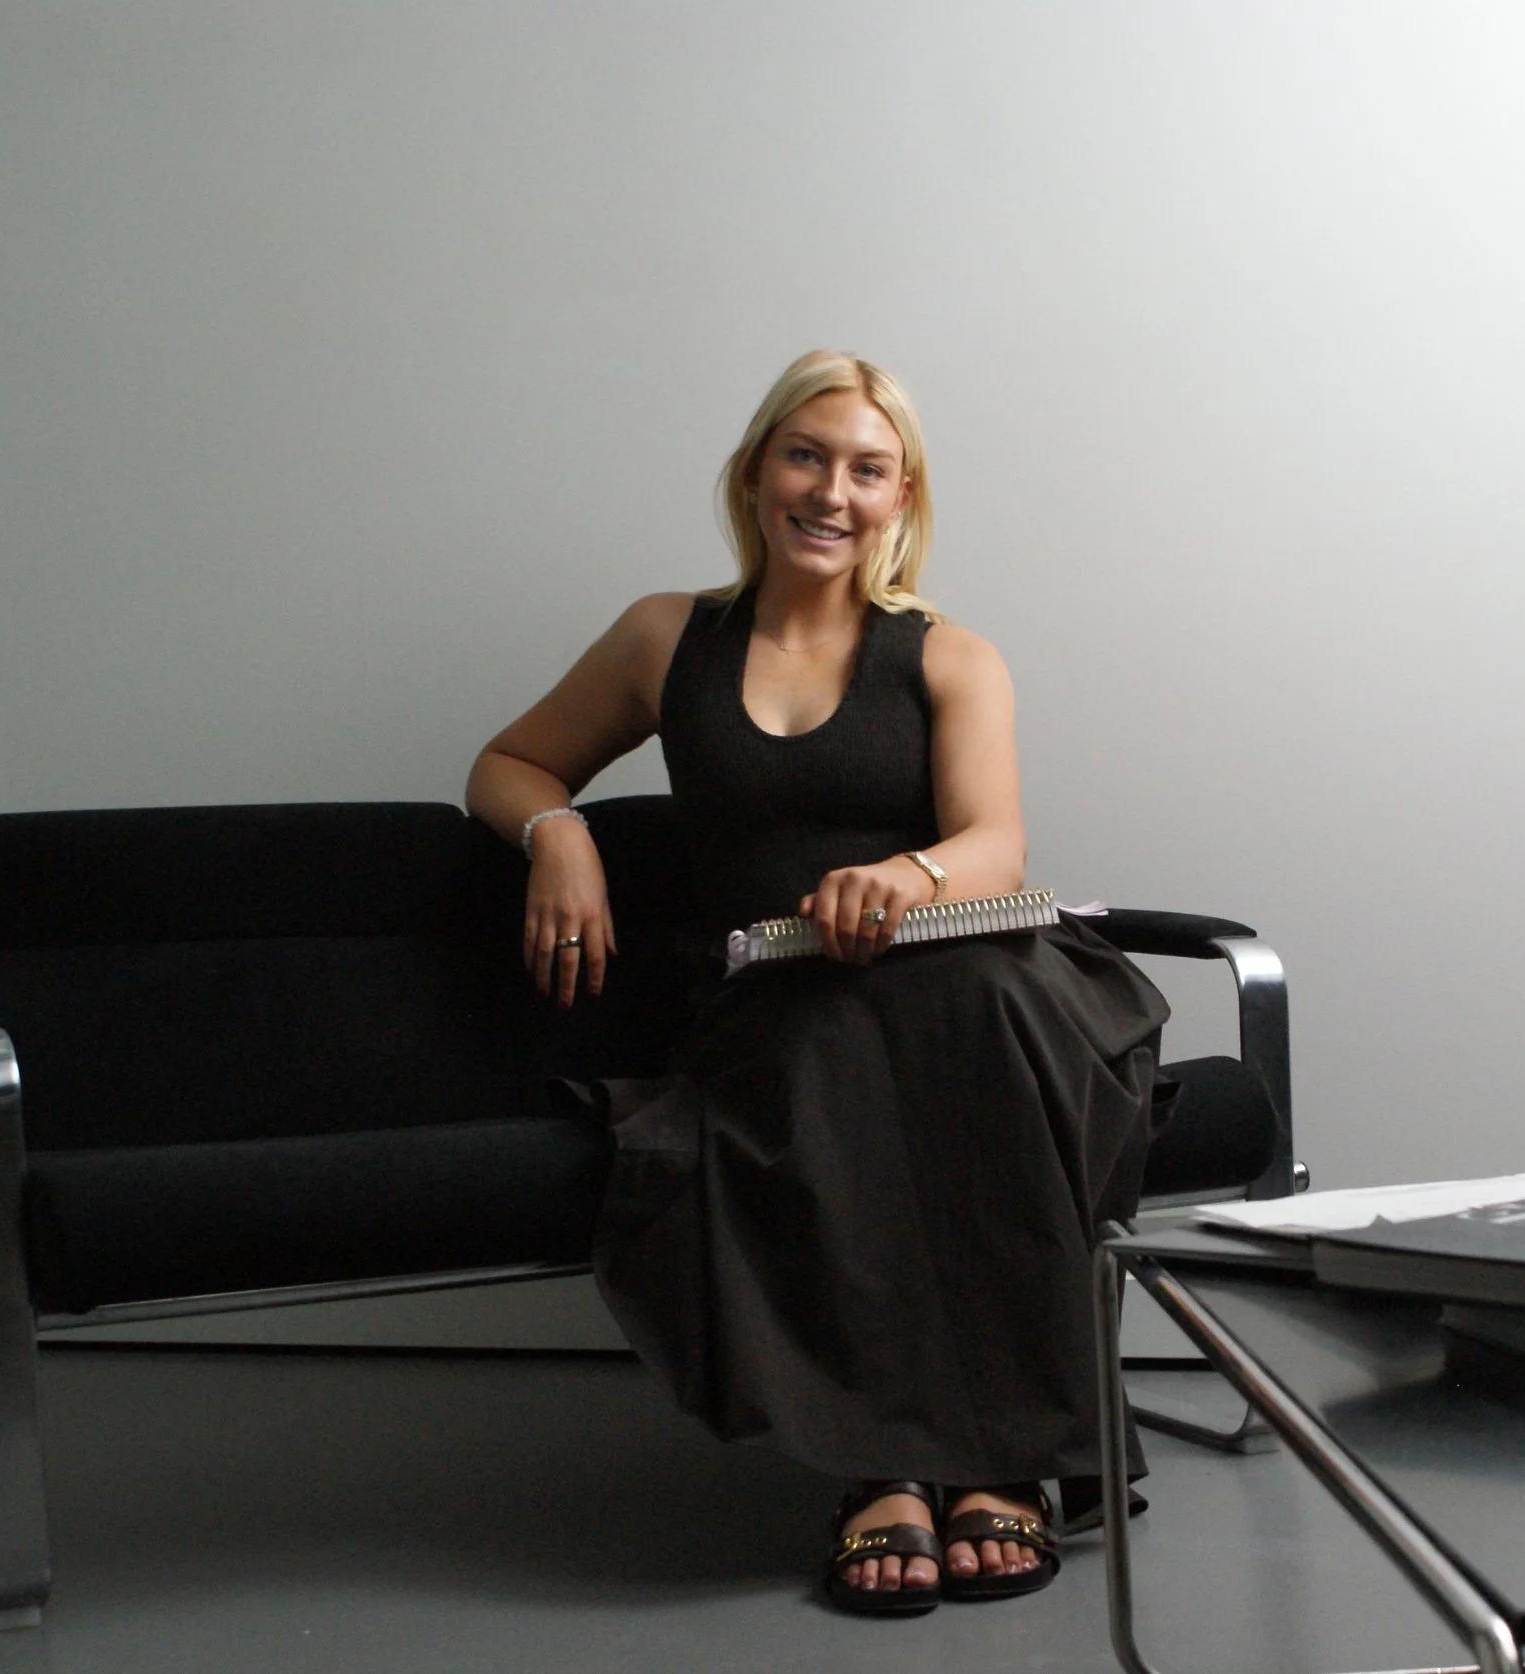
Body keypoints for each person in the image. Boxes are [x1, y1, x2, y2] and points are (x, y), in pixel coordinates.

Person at [466, 350, 1169, 1615]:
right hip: (778, 1004)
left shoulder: (948, 654)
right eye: (805, 455)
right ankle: (904, 1465)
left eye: (867, 468)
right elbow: (511, 761)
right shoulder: (664, 635)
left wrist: (905, 877)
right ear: (752, 474)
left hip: (971, 986)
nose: (830, 491)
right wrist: (557, 835)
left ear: (902, 499)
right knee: (833, 1052)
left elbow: (994, 847)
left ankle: (970, 1460)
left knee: (960, 1016)